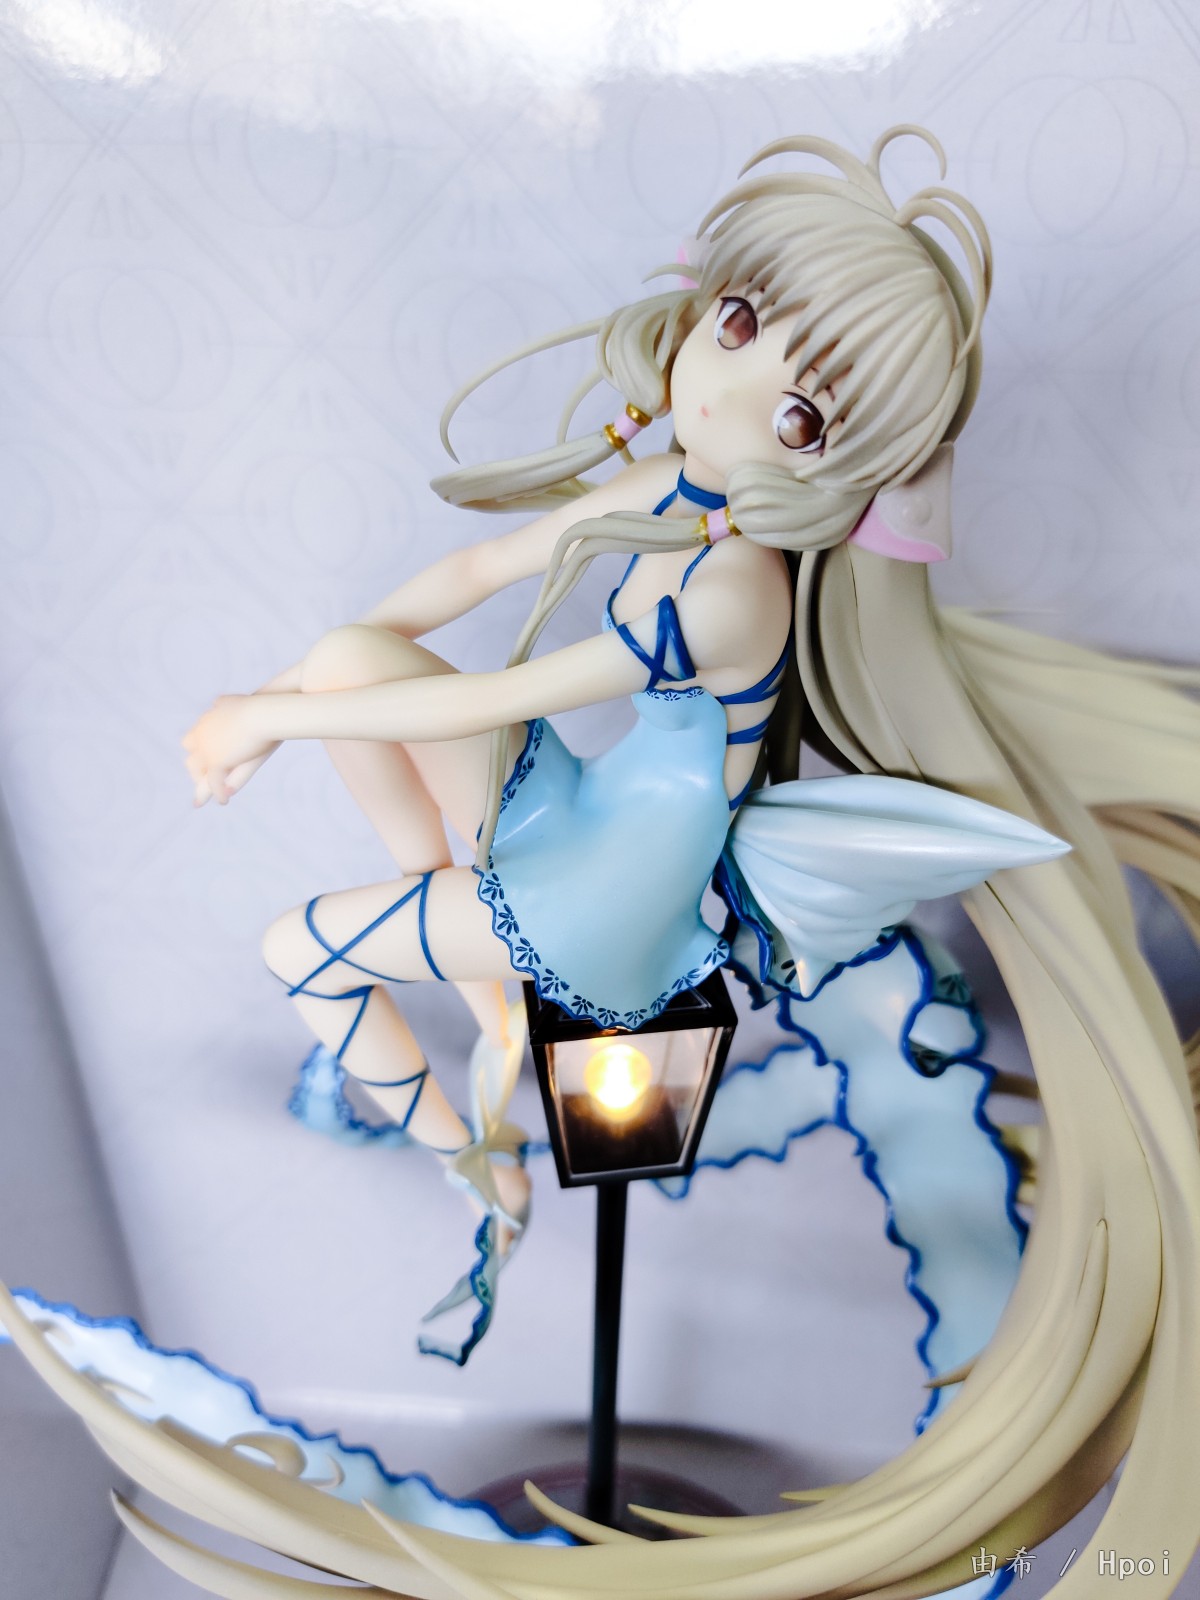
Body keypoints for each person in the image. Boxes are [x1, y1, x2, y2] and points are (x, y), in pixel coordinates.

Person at [7, 127, 1200, 1597]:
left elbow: (507, 692)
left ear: (842, 472)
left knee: (297, 952)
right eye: (739, 323)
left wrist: (267, 720)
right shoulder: (682, 487)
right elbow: (473, 576)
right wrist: (299, 683)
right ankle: (484, 988)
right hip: (579, 818)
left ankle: (481, 1171)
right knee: (353, 648)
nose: (728, 390)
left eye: (801, 415)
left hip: (611, 908)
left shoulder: (735, 588)